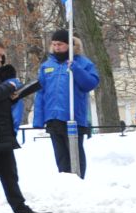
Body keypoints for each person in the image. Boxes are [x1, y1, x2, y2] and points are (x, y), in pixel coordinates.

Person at [0, 37, 46, 213]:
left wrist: (14, 94)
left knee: (10, 175)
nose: (0, 59)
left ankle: (21, 209)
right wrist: (9, 86)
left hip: (1, 133)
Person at [36, 28, 100, 177]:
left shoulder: (83, 63)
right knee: (61, 157)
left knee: (75, 154)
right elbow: (41, 93)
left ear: (69, 45)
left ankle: (78, 179)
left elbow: (90, 84)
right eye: (54, 44)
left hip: (73, 117)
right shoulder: (47, 66)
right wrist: (39, 119)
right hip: (53, 117)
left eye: (60, 44)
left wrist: (76, 69)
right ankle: (64, 181)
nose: (56, 47)